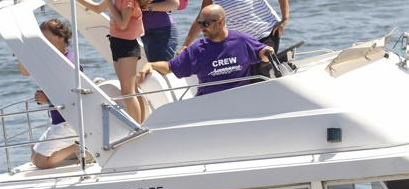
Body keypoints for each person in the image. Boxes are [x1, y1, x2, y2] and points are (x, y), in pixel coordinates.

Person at [139, 5, 274, 96]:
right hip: (208, 103)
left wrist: (267, 52)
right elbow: (170, 67)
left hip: (240, 98)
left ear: (220, 22)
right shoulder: (198, 49)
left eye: (206, 24)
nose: (202, 28)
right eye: (200, 23)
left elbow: (262, 53)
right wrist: (151, 65)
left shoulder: (241, 40)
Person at [80, 0, 149, 123]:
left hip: (127, 46)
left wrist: (109, 4)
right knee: (131, 89)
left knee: (128, 91)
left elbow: (123, 24)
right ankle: (140, 123)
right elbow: (98, 8)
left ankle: (136, 126)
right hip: (117, 44)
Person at [30, 19, 80, 169]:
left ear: (59, 37)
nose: (42, 41)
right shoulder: (56, 59)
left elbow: (73, 95)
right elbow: (25, 71)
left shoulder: (68, 62)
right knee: (33, 156)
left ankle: (83, 147)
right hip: (58, 120)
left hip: (67, 121)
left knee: (40, 162)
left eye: (45, 37)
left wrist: (48, 99)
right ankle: (78, 147)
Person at [181, 0, 289, 59]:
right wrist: (185, 45)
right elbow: (201, 19)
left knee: (261, 69)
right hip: (241, 41)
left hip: (265, 32)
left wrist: (285, 18)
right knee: (248, 75)